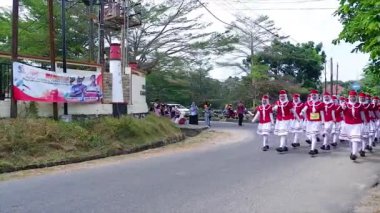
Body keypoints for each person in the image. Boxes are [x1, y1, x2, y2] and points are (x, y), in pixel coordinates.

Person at [340, 90, 367, 161]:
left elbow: (362, 114)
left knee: (355, 139)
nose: (352, 98)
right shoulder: (345, 104)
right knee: (351, 140)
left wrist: (365, 121)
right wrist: (342, 108)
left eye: (354, 97)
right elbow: (341, 112)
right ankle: (352, 151)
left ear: (356, 97)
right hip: (348, 125)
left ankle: (354, 154)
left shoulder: (359, 105)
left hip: (358, 125)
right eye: (351, 97)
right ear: (349, 97)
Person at [302, 89, 325, 156]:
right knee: (311, 136)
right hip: (310, 121)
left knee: (314, 135)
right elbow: (305, 109)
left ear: (317, 95)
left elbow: (322, 113)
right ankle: (313, 148)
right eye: (312, 95)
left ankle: (312, 149)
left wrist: (323, 121)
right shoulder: (308, 103)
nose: (313, 96)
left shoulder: (321, 104)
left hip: (317, 121)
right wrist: (303, 112)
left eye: (315, 95)